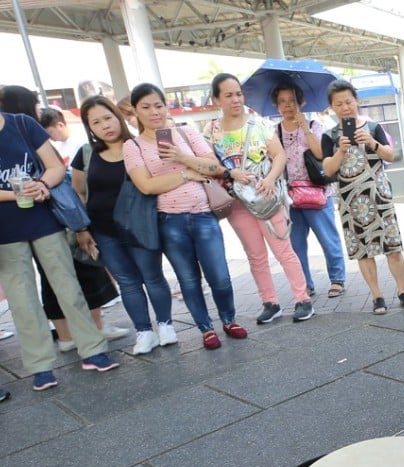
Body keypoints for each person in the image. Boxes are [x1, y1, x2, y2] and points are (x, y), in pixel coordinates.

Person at [0, 89, 120, 392]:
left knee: (67, 284)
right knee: (21, 298)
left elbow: (55, 166)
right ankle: (40, 366)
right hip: (5, 230)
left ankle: (92, 348)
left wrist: (41, 184)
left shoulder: (21, 124)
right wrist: (16, 194)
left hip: (44, 219)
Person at [126, 82, 247, 350]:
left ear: (165, 106)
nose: (154, 112)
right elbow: (146, 185)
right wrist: (185, 174)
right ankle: (205, 328)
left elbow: (213, 167)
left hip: (203, 215)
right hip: (169, 221)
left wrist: (181, 156)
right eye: (145, 107)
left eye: (158, 105)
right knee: (189, 280)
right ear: (135, 111)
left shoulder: (186, 132)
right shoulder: (132, 146)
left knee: (220, 276)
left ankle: (229, 319)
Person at [205, 73, 313, 325]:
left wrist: (269, 180)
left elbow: (279, 156)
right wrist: (230, 173)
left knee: (283, 250)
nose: (235, 99)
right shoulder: (211, 130)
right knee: (255, 255)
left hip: (266, 196)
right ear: (216, 99)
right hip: (237, 201)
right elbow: (209, 163)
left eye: (238, 94)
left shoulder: (258, 123)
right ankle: (270, 302)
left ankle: (303, 299)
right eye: (229, 95)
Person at [74, 95, 177, 355]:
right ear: (90, 128)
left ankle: (165, 325)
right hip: (104, 230)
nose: (105, 125)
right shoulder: (86, 154)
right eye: (95, 122)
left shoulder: (140, 146)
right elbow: (79, 193)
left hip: (141, 225)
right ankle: (144, 331)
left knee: (152, 277)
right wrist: (82, 229)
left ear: (118, 116)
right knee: (127, 282)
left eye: (108, 117)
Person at [322, 80, 404, 315]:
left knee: (392, 247)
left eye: (348, 101)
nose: (345, 107)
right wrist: (340, 151)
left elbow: (392, 155)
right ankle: (377, 296)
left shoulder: (373, 127)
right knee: (363, 250)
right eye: (339, 104)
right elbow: (328, 169)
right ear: (332, 108)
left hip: (379, 197)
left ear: (356, 101)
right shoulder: (330, 136)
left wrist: (372, 142)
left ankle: (403, 290)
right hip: (350, 203)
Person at [271, 83, 347, 300]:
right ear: (277, 106)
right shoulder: (274, 132)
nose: (287, 106)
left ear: (301, 102)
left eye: (292, 101)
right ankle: (305, 284)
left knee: (327, 238)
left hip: (317, 192)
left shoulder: (314, 125)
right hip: (290, 196)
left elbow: (321, 154)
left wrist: (304, 127)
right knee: (296, 244)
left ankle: (337, 279)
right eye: (282, 102)